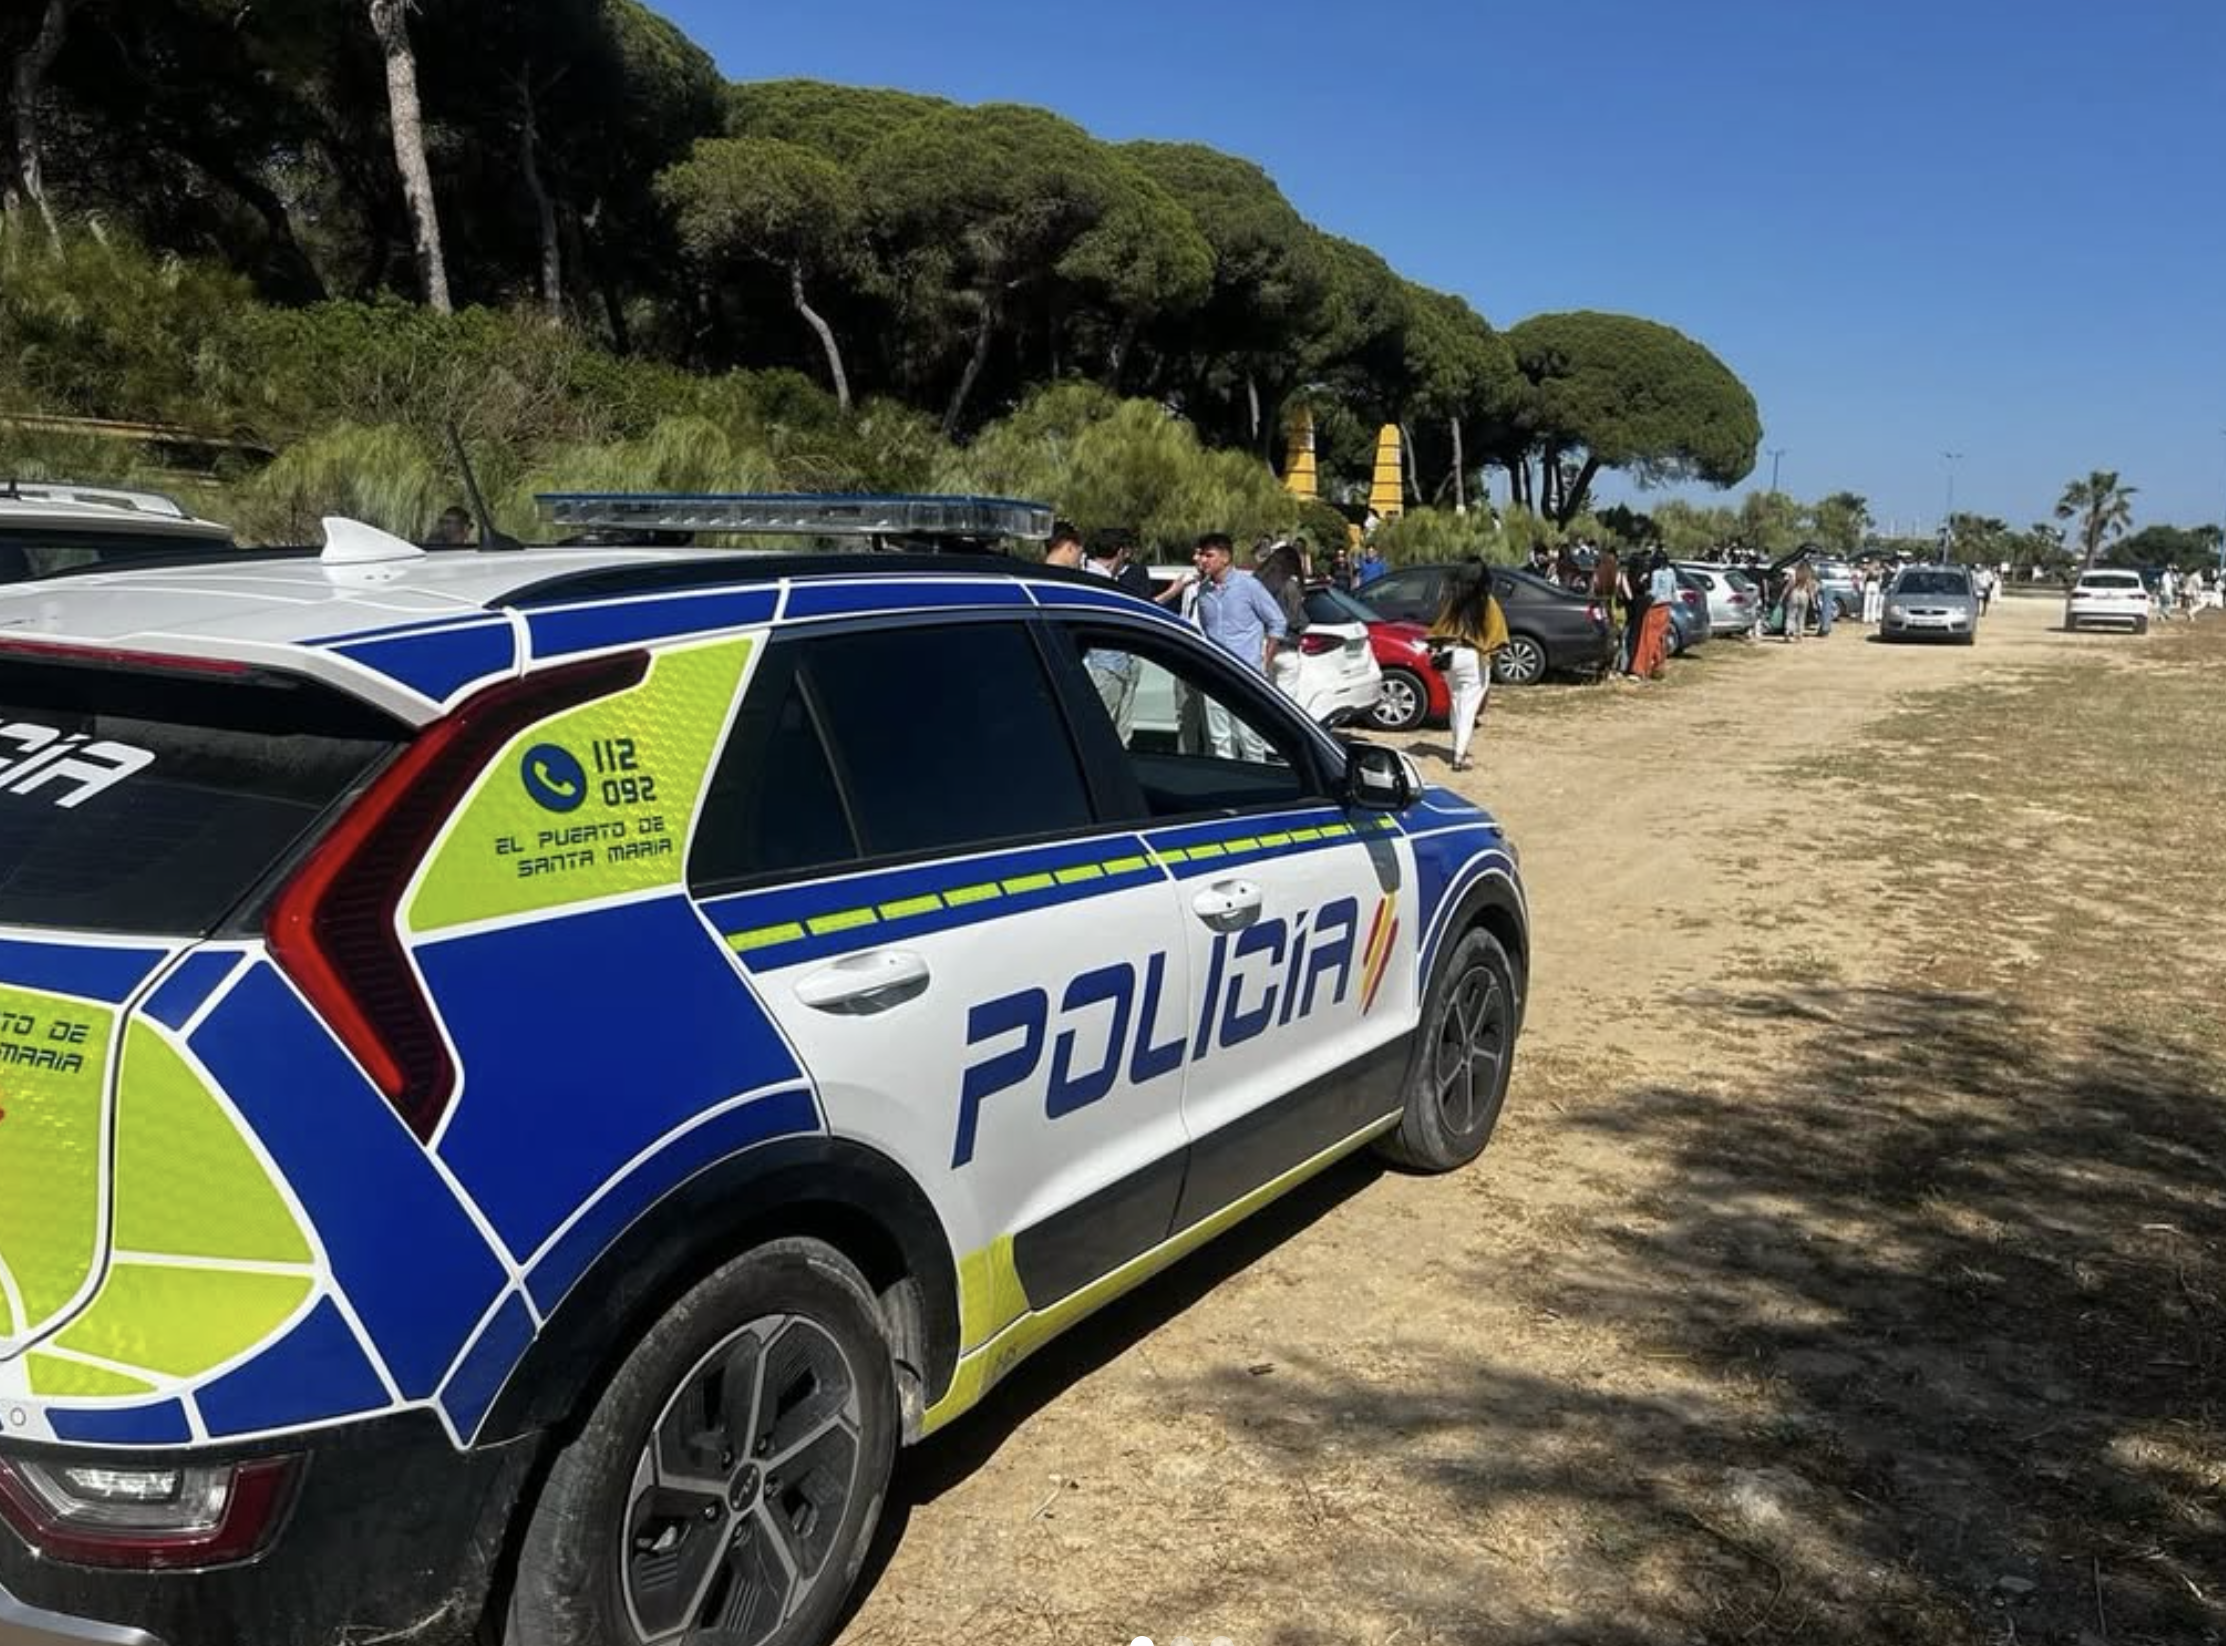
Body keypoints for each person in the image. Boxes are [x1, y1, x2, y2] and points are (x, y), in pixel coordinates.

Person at [1160, 533, 1285, 760]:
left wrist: (1265, 662)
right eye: (1202, 555)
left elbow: (1277, 622)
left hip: (1246, 674)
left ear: (1226, 557)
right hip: (1215, 674)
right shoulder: (1204, 591)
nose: (1203, 560)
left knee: (1249, 738)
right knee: (1219, 739)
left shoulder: (1250, 586)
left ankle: (1256, 784)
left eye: (1210, 555)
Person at [1426, 560, 1509, 772]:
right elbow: (1497, 633)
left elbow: (1438, 628)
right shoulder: (1486, 601)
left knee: (1456, 702)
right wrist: (1490, 651)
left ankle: (1457, 748)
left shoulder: (1452, 599)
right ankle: (1459, 756)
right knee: (1468, 707)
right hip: (1471, 656)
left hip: (1448, 656)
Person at [1080, 536, 1142, 740]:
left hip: (1119, 665)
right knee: (1100, 732)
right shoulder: (1094, 581)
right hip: (1103, 667)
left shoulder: (1104, 579)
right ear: (1120, 553)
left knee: (1119, 732)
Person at [1253, 541, 1310, 701]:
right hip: (1287, 648)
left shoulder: (1257, 583)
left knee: (1261, 699)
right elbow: (1297, 620)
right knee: (1287, 704)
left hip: (1262, 646)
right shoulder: (1291, 586)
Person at [1628, 551, 1676, 679]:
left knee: (1647, 638)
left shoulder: (1656, 573)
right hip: (1667, 607)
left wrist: (1645, 590)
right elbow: (1673, 590)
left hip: (1655, 607)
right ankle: (1658, 668)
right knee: (1660, 639)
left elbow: (1654, 592)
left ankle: (1640, 669)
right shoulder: (1671, 572)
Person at [1783, 561, 1816, 643]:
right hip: (1804, 595)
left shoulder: (1794, 575)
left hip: (1795, 593)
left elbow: (1788, 587)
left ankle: (1788, 633)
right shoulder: (1807, 576)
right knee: (1801, 616)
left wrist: (1782, 597)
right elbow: (1810, 590)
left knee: (1791, 615)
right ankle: (1799, 635)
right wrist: (1813, 602)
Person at [1861, 561, 1885, 626]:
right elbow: (1880, 580)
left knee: (1871, 603)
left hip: (1872, 585)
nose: (1877, 565)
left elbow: (1864, 579)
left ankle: (1869, 619)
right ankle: (1869, 619)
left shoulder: (1871, 570)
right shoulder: (1875, 571)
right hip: (1873, 585)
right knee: (1869, 602)